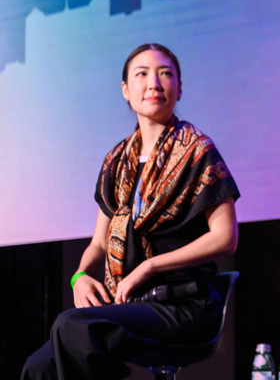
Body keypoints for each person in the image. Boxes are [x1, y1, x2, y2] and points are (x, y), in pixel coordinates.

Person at [23, 43, 240, 380]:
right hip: (131, 305)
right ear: (125, 90)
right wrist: (80, 276)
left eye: (165, 74)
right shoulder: (116, 162)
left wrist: (150, 267)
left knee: (74, 327)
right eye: (142, 74)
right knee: (39, 365)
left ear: (179, 88)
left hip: (185, 305)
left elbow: (225, 238)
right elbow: (99, 243)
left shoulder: (198, 152)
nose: (154, 83)